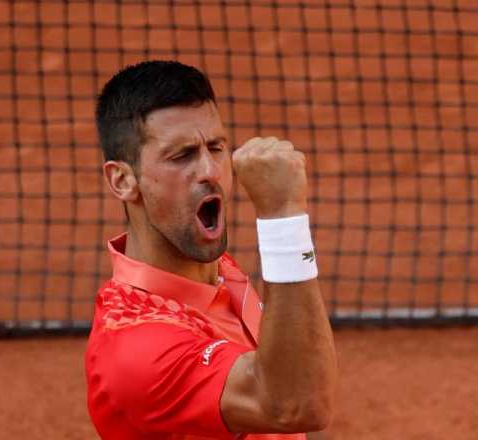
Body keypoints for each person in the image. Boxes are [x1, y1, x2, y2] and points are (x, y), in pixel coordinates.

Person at [85, 60, 337, 439]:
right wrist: (284, 219)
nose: (210, 170)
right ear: (122, 180)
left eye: (216, 147)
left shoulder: (216, 269)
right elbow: (295, 405)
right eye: (181, 156)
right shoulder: (136, 349)